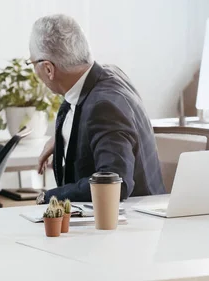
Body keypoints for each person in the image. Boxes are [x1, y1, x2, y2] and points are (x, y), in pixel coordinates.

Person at [29, 14, 165, 203]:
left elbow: (115, 183)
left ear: (49, 69)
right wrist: (63, 136)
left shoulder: (103, 106)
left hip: (130, 223)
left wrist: (49, 197)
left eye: (32, 63)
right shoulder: (108, 75)